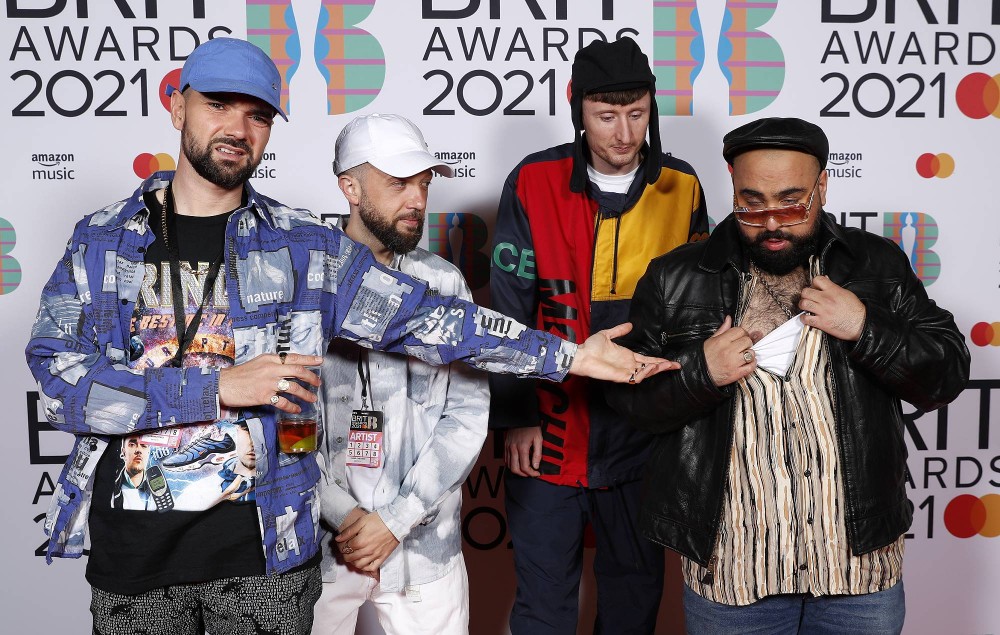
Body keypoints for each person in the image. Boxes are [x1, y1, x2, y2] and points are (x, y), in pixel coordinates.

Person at [24, 37, 671, 635]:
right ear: (177, 106)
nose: (237, 127)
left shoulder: (302, 249)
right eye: (219, 104)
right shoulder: (104, 239)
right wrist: (215, 387)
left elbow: (436, 320)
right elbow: (60, 383)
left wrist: (567, 353)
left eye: (258, 114)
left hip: (265, 555)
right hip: (137, 556)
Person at [607, 117, 971, 634]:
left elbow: (947, 373)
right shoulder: (678, 277)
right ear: (731, 184)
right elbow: (630, 401)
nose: (772, 222)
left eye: (791, 201)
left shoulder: (877, 265)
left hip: (858, 574)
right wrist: (699, 373)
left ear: (822, 186)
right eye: (751, 203)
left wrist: (865, 328)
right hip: (733, 576)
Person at [489, 37, 709, 634]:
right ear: (577, 108)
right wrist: (516, 416)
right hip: (552, 430)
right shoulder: (533, 179)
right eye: (606, 116)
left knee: (635, 602)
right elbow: (508, 308)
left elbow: (696, 317)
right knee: (543, 605)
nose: (623, 133)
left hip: (643, 437)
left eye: (636, 114)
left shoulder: (682, 186)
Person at [311, 113, 486, 634]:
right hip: (321, 550)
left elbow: (467, 415)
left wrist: (395, 520)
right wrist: (344, 516)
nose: (416, 199)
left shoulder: (445, 285)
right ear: (350, 187)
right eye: (397, 183)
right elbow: (281, 425)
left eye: (423, 183)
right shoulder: (305, 284)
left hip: (424, 555)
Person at [111, 435, 152, 510]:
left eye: (144, 445)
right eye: (132, 445)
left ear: (148, 452)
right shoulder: (110, 486)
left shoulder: (160, 488)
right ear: (123, 452)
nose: (138, 450)